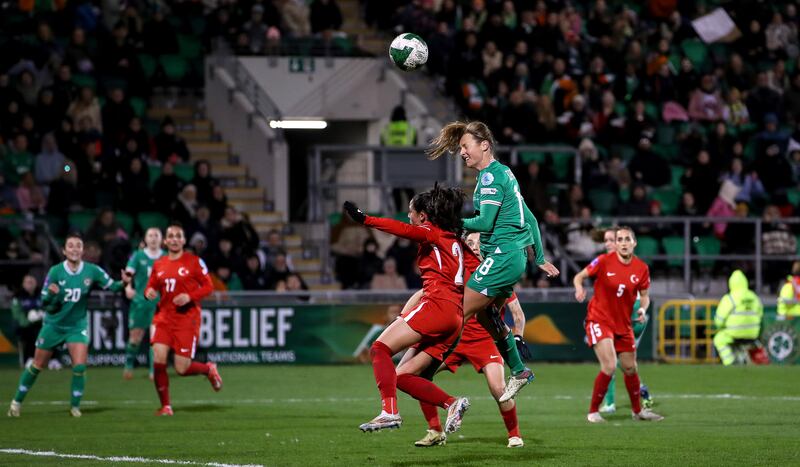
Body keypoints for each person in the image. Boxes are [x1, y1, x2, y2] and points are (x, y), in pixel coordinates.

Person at [426, 121, 559, 402]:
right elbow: (532, 219)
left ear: (484, 145)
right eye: (460, 147)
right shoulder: (504, 173)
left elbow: (485, 222)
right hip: (511, 258)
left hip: (502, 257)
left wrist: (450, 222)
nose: (462, 152)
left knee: (457, 312)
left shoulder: (489, 177)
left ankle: (425, 366)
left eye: (465, 146)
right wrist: (541, 258)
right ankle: (520, 370)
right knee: (489, 317)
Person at [342, 185, 470, 434]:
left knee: (379, 349)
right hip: (455, 317)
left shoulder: (431, 232)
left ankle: (389, 412)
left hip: (437, 307)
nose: (408, 216)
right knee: (402, 377)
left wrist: (365, 219)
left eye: (410, 211)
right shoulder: (452, 238)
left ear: (423, 215)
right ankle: (452, 403)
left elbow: (402, 230)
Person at [405, 233, 527, 448]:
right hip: (455, 338)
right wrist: (403, 319)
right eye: (470, 243)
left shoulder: (498, 276)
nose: (476, 247)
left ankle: (514, 435)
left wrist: (518, 338)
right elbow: (424, 292)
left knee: (499, 389)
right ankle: (435, 431)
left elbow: (517, 314)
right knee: (419, 377)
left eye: (480, 243)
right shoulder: (456, 274)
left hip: (485, 340)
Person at [8, 233, 131, 418]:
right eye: (71, 246)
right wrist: (51, 295)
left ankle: (75, 407)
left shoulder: (92, 270)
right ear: (64, 251)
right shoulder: (56, 272)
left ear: (82, 250)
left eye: (78, 246)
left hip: (76, 325)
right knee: (37, 365)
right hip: (53, 325)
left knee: (80, 367)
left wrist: (124, 282)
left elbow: (113, 286)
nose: (75, 249)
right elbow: (45, 303)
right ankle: (16, 402)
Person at [573, 226, 663, 423]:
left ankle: (637, 411)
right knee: (610, 365)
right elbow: (579, 276)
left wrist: (642, 309)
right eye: (619, 239)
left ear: (634, 243)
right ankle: (593, 412)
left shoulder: (641, 268)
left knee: (631, 368)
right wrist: (579, 288)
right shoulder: (604, 261)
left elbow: (645, 297)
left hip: (623, 324)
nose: (623, 243)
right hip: (599, 319)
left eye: (626, 239)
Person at [144, 223, 221, 416]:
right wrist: (149, 292)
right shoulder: (159, 264)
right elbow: (150, 287)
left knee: (181, 368)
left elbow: (208, 286)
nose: (174, 239)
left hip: (187, 319)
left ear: (184, 240)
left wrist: (189, 296)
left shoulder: (194, 261)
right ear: (165, 241)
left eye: (178, 236)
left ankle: (208, 369)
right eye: (171, 236)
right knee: (159, 361)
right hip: (163, 318)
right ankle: (166, 406)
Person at [591, 228, 654, 414]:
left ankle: (611, 402)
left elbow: (642, 294)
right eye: (607, 240)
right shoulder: (605, 263)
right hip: (616, 318)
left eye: (612, 239)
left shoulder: (628, 263)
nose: (609, 243)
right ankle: (637, 391)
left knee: (611, 360)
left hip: (630, 316)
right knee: (617, 361)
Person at [122, 227, 165, 380]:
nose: (153, 238)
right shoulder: (138, 256)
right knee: (135, 338)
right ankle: (128, 364)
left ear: (161, 239)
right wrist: (127, 287)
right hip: (140, 302)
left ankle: (154, 371)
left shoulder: (166, 257)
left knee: (156, 339)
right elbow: (128, 274)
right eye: (150, 235)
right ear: (145, 239)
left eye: (156, 235)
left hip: (159, 304)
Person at [713, 270, 764, 365]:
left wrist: (721, 327)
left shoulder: (730, 298)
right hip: (753, 334)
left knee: (719, 339)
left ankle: (730, 362)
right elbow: (760, 314)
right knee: (744, 345)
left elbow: (719, 320)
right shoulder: (754, 296)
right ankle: (744, 361)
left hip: (734, 333)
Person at [10, 275, 44, 368]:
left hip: (40, 324)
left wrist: (41, 316)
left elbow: (47, 309)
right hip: (23, 326)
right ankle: (28, 359)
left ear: (36, 283)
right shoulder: (18, 296)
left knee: (49, 332)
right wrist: (29, 321)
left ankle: (52, 360)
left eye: (32, 282)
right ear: (23, 284)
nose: (30, 284)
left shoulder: (41, 295)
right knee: (30, 333)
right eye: (28, 282)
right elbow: (17, 314)